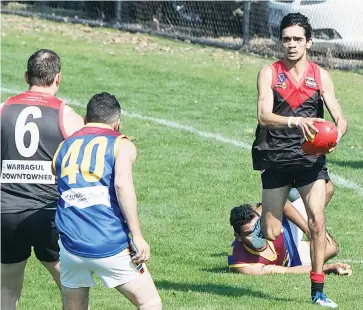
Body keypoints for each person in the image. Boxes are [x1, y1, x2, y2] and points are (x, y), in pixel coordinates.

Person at [251, 13, 348, 307]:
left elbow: (340, 118)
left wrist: (335, 137)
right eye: (286, 39)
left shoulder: (320, 76)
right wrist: (296, 122)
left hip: (309, 158)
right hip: (276, 156)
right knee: (271, 232)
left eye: (297, 39)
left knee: (317, 220)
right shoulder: (269, 73)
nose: (291, 45)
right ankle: (263, 218)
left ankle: (317, 291)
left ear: (308, 42)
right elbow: (264, 117)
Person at [52, 92, 162, 310]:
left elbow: (55, 170)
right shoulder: (122, 144)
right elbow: (122, 185)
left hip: (70, 243)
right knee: (149, 302)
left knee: (75, 306)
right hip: (109, 242)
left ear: (85, 119)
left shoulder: (65, 144)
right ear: (117, 123)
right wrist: (138, 236)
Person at [0, 49, 84, 309]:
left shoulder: (4, 108)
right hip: (49, 216)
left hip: (6, 213)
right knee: (73, 291)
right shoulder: (67, 116)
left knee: (7, 290)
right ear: (58, 78)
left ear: (27, 76)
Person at [228, 201, 352, 276]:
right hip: (291, 260)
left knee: (326, 188)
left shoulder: (260, 214)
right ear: (238, 237)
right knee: (331, 248)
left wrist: (308, 230)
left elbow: (282, 203)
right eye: (250, 233)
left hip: (288, 228)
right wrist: (329, 268)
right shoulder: (243, 264)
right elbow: (285, 272)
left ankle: (293, 188)